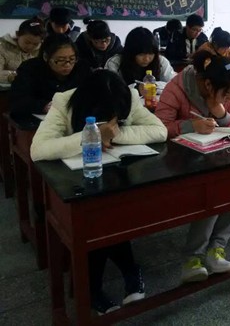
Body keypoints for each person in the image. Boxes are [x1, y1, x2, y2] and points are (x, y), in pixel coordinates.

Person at [30, 70, 167, 314]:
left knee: (110, 213)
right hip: (74, 182)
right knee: (99, 218)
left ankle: (104, 282)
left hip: (116, 176)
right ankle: (114, 277)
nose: (114, 118)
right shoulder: (65, 101)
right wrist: (89, 136)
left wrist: (116, 133)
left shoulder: (128, 96)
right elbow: (38, 149)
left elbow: (160, 131)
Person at [155, 51, 230, 283]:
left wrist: (220, 111)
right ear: (208, 84)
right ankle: (193, 258)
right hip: (178, 160)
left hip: (213, 155)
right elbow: (159, 126)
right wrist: (190, 126)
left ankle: (216, 249)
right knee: (212, 191)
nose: (229, 98)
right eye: (226, 94)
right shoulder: (177, 88)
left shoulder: (226, 90)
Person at [10, 34, 91, 116]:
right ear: (46, 57)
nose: (67, 64)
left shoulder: (82, 67)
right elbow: (18, 101)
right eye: (60, 60)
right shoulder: (30, 69)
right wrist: (44, 106)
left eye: (72, 59)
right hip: (40, 118)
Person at [105, 26, 176, 89]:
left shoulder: (161, 61)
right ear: (131, 52)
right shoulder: (115, 62)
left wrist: (154, 86)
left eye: (151, 54)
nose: (146, 59)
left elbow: (174, 84)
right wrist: (136, 89)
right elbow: (110, 89)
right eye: (141, 54)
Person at [0, 17, 46, 83]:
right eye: (27, 42)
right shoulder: (3, 47)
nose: (30, 47)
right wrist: (10, 77)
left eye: (35, 44)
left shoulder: (42, 50)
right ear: (17, 34)